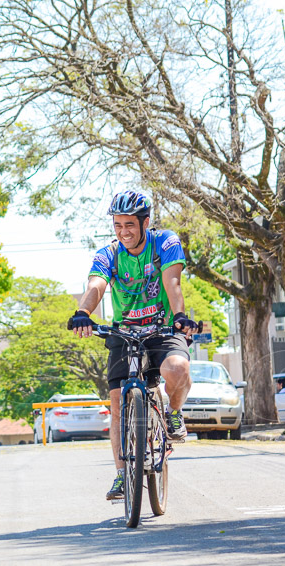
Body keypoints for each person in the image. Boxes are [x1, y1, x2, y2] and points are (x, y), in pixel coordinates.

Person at [67, 190, 198, 501]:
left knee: (177, 369)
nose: (124, 232)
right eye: (117, 225)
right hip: (125, 332)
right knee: (116, 403)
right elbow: (96, 285)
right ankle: (123, 474)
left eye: (129, 225)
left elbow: (173, 281)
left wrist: (179, 315)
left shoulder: (164, 242)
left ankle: (174, 413)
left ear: (145, 222)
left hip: (164, 327)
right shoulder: (109, 253)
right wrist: (83, 312)